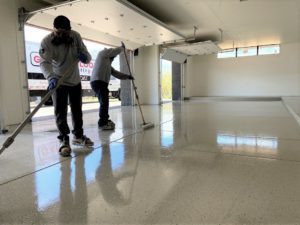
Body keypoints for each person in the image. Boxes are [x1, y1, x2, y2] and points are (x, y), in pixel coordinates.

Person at [39, 15, 94, 157]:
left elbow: (87, 55)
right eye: (59, 33)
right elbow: (44, 63)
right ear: (54, 30)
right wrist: (51, 78)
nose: (62, 36)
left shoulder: (75, 36)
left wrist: (85, 57)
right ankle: (64, 139)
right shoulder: (47, 42)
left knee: (77, 110)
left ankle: (78, 136)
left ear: (70, 30)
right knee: (60, 112)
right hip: (59, 81)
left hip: (75, 80)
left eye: (65, 33)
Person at [91, 43, 134, 130]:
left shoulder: (108, 65)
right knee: (104, 103)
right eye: (112, 57)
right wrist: (122, 48)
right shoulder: (102, 54)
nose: (113, 59)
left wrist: (128, 76)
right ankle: (103, 123)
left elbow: (117, 74)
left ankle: (104, 119)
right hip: (98, 82)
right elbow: (114, 51)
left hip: (100, 83)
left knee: (104, 102)